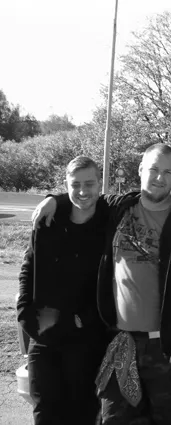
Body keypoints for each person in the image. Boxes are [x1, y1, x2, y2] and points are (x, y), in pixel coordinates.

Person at [32, 143, 171, 425]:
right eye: (153, 169)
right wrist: (55, 200)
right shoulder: (119, 207)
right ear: (140, 170)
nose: (160, 178)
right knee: (112, 418)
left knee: (169, 418)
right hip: (120, 342)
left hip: (165, 346)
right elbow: (85, 196)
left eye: (168, 172)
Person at [17, 156, 106, 425]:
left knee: (82, 413)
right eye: (75, 184)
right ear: (66, 185)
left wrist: (84, 321)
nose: (82, 191)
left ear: (100, 184)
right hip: (44, 338)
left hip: (86, 341)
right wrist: (24, 314)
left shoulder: (109, 223)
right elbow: (28, 268)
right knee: (45, 413)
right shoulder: (48, 222)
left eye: (89, 184)